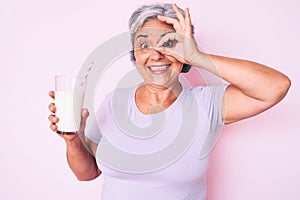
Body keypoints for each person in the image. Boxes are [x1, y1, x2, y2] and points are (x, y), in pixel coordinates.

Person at [48, 3, 291, 200]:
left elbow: (275, 87)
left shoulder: (207, 104)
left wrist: (198, 56)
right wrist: (73, 139)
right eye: (144, 45)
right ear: (135, 56)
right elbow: (87, 173)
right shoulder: (114, 102)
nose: (156, 54)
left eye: (169, 43)